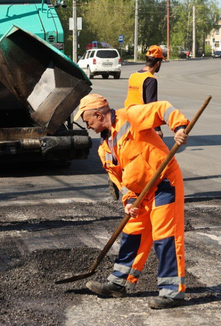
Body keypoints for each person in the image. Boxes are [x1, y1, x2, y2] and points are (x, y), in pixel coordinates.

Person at [75, 94, 190, 309]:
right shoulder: (104, 149)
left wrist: (180, 128)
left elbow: (162, 109)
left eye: (88, 121)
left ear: (98, 114)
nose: (88, 127)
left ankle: (172, 292)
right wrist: (128, 200)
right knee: (131, 232)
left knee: (165, 236)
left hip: (164, 182)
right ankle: (119, 283)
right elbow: (119, 179)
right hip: (140, 194)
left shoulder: (131, 116)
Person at [124, 45, 166, 139]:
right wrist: (157, 129)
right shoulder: (150, 80)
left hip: (128, 119)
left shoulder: (133, 76)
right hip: (142, 123)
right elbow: (151, 106)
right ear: (158, 63)